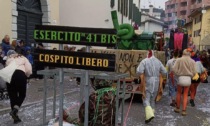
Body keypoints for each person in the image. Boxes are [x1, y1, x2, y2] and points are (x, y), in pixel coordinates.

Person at [136, 50, 167, 124]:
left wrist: (141, 74)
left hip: (148, 81)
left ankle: (149, 115)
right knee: (153, 99)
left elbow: (139, 71)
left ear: (147, 54)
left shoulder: (144, 61)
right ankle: (149, 115)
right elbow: (165, 72)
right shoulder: (158, 61)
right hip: (156, 82)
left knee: (145, 98)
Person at [5, 50, 32, 124]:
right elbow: (28, 69)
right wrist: (27, 76)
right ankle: (15, 110)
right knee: (22, 94)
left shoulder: (8, 59)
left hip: (9, 76)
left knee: (13, 97)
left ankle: (15, 118)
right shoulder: (23, 57)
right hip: (20, 75)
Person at [172, 49, 197, 116]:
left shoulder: (179, 60)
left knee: (179, 93)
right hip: (188, 78)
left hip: (180, 78)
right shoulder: (192, 61)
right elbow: (195, 72)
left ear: (183, 53)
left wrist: (177, 74)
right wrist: (191, 75)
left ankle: (177, 108)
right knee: (185, 94)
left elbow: (173, 69)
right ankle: (184, 110)